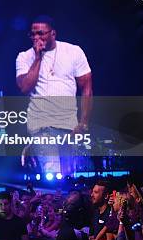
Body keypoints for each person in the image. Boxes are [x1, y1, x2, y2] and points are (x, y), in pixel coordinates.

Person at [16, 16, 92, 175]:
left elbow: (86, 89)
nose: (36, 38)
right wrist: (38, 58)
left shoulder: (73, 52)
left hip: (69, 126)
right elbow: (24, 87)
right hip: (42, 126)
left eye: (41, 34)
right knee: (53, 174)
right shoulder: (24, 56)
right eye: (33, 34)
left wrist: (83, 123)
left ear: (53, 34)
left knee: (69, 176)